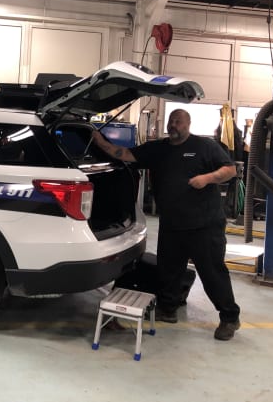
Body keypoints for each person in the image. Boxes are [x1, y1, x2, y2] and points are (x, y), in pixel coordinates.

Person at [92, 108, 242, 341]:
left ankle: (230, 317)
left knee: (212, 272)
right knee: (169, 270)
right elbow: (125, 154)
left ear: (188, 124)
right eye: (171, 121)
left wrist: (207, 178)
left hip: (204, 224)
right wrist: (100, 142)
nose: (173, 125)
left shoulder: (205, 146)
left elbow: (230, 170)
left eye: (178, 121)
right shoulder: (158, 149)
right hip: (172, 223)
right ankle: (168, 309)